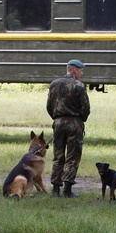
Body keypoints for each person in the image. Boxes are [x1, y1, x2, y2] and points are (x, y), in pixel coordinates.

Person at [46, 59, 90, 198]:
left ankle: (55, 190)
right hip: (74, 123)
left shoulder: (54, 84)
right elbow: (86, 108)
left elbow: (49, 105)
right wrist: (80, 119)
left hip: (58, 123)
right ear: (74, 70)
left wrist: (56, 117)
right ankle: (67, 190)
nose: (82, 73)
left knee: (58, 156)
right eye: (81, 70)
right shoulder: (79, 85)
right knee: (73, 156)